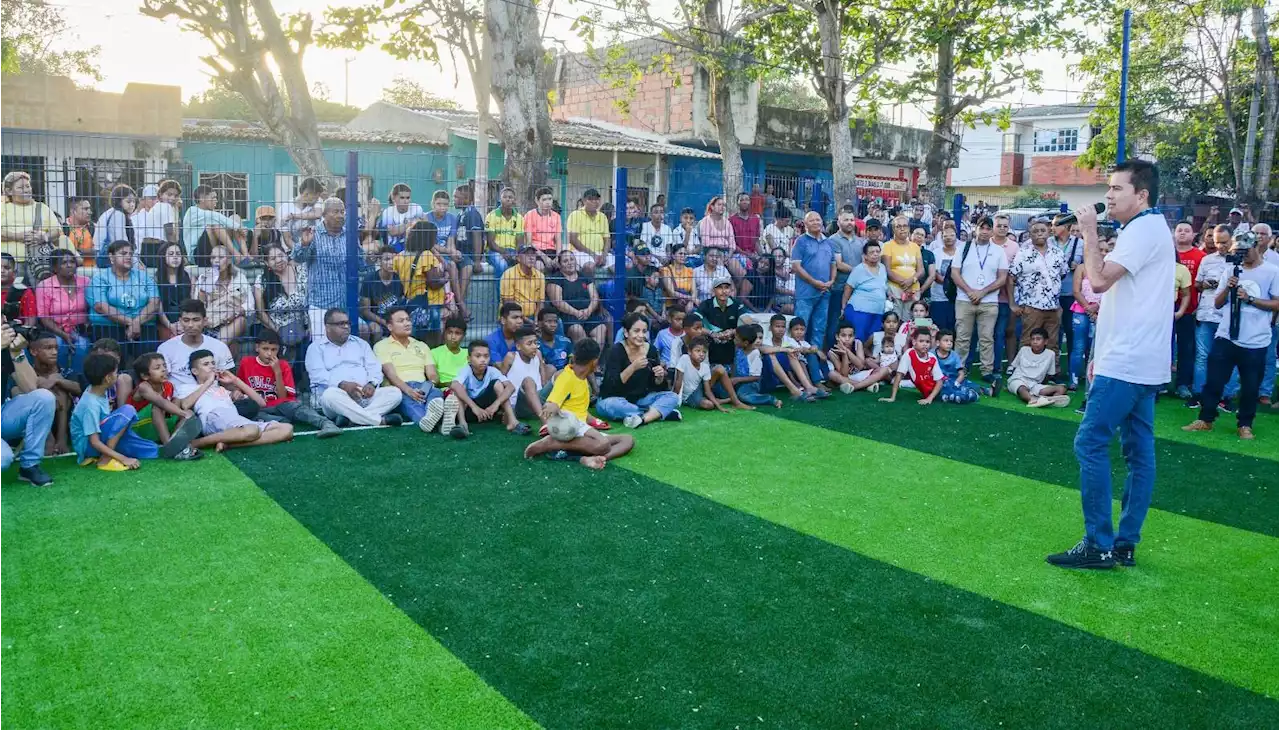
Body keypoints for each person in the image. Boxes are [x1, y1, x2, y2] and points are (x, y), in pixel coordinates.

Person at [1049, 160, 1174, 571]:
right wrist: (1098, 356)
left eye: (1117, 189)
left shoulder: (1142, 230)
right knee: (1139, 452)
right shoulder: (1148, 229)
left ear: (1141, 195)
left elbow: (1098, 281)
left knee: (1090, 442)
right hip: (1140, 359)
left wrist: (1087, 233)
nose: (1107, 197)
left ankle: (1100, 544)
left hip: (1128, 361)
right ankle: (1123, 543)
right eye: (1108, 188)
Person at [1183, 232, 1280, 439]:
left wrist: (1251, 299)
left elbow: (1277, 303)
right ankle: (1205, 419)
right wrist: (1228, 288)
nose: (1242, 256)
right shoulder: (1230, 271)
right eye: (1239, 252)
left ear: (1256, 247)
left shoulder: (1272, 271)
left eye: (1245, 251)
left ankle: (1245, 424)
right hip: (1226, 336)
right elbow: (1217, 303)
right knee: (1214, 381)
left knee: (1250, 386)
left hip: (1255, 340)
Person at [524, 339, 634, 470]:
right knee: (603, 445)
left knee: (628, 440)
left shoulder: (581, 378)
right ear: (594, 362)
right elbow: (551, 403)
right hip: (569, 428)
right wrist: (551, 406)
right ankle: (552, 443)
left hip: (581, 428)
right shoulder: (566, 378)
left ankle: (596, 458)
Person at [305, 308, 404, 427]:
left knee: (395, 393)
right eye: (341, 324)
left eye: (348, 323)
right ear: (327, 327)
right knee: (329, 395)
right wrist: (342, 385)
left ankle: (352, 419)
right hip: (337, 399)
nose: (346, 327)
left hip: (363, 396)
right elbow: (318, 375)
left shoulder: (361, 344)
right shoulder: (315, 348)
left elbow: (374, 368)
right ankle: (379, 421)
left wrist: (371, 384)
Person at [179, 349, 295, 451]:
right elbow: (185, 405)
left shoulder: (222, 389)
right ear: (195, 371)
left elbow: (261, 403)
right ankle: (198, 443)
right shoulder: (188, 388)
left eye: (213, 363)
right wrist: (209, 382)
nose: (212, 366)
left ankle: (229, 444)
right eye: (206, 364)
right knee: (252, 430)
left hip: (235, 419)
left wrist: (235, 380)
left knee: (286, 429)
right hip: (214, 417)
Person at [238, 329, 342, 438]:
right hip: (259, 408)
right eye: (265, 349)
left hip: (281, 405)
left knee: (298, 408)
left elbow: (283, 396)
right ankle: (283, 422)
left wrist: (277, 372)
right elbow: (240, 386)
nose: (269, 353)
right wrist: (237, 392)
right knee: (252, 415)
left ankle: (326, 423)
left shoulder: (283, 365)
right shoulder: (246, 362)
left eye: (274, 349)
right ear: (257, 348)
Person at [71, 352, 160, 471]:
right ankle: (105, 458)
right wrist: (123, 458)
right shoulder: (90, 405)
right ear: (108, 378)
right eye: (116, 373)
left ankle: (110, 451)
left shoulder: (98, 390)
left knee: (152, 450)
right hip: (89, 446)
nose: (118, 376)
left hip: (106, 437)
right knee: (127, 410)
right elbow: (94, 441)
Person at [950, 216, 1009, 383]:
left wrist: (982, 292)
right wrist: (970, 291)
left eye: (988, 228)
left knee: (987, 337)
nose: (984, 232)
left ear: (992, 231)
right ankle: (959, 368)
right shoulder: (964, 248)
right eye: (981, 228)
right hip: (964, 299)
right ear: (975, 229)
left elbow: (1002, 277)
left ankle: (986, 371)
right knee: (962, 337)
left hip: (989, 301)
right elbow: (955, 273)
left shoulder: (998, 251)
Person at [597, 312, 680, 428]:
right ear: (626, 332)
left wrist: (659, 377)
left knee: (672, 397)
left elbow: (655, 386)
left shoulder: (650, 349)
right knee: (609, 405)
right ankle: (657, 413)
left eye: (644, 331)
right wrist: (632, 367)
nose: (641, 335)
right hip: (616, 398)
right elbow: (610, 386)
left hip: (641, 399)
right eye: (636, 331)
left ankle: (643, 419)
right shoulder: (616, 351)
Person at [372, 306, 446, 433]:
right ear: (390, 327)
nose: (407, 323)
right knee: (409, 401)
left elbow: (432, 374)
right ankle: (433, 420)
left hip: (423, 386)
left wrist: (429, 385)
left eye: (408, 319)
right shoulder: (381, 346)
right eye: (401, 321)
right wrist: (409, 391)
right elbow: (391, 375)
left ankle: (430, 419)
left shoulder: (421, 345)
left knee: (436, 393)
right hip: (400, 388)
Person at [1189, 225, 1239, 409]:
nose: (1220, 246)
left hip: (1228, 316)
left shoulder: (1239, 262)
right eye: (1217, 242)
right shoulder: (1207, 260)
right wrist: (1206, 284)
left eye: (1224, 242)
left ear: (1232, 240)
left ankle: (1227, 397)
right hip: (1206, 313)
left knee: (1229, 357)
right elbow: (1197, 284)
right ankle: (1199, 394)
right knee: (1202, 356)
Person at [86, 240, 160, 359]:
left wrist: (137, 322)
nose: (128, 257)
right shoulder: (100, 277)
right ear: (111, 256)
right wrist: (131, 322)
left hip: (144, 325)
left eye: (131, 254)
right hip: (109, 327)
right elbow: (101, 306)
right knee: (111, 358)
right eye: (123, 253)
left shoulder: (143, 276)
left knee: (147, 359)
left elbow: (155, 303)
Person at [290, 198, 348, 343]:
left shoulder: (349, 235)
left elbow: (360, 263)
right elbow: (298, 258)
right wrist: (303, 244)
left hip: (343, 302)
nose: (340, 215)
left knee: (344, 344)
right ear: (325, 214)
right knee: (322, 345)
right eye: (336, 212)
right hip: (320, 303)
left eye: (342, 212)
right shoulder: (313, 234)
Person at [439, 340, 524, 438]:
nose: (483, 360)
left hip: (488, 410)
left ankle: (512, 422)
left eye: (486, 356)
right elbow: (454, 385)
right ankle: (462, 424)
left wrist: (495, 405)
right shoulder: (466, 370)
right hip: (469, 409)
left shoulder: (492, 371)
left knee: (498, 384)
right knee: (460, 387)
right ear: (469, 359)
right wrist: (474, 407)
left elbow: (511, 387)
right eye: (478, 356)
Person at [127, 351, 204, 458]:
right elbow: (161, 402)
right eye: (157, 368)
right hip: (137, 428)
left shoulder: (168, 385)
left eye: (164, 366)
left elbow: (172, 405)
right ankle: (169, 446)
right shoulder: (143, 387)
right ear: (145, 376)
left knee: (188, 411)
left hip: (155, 426)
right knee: (158, 407)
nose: (164, 369)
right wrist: (182, 414)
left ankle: (176, 444)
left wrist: (182, 412)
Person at [1009, 218, 1070, 352]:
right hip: (1031, 306)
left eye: (1043, 230)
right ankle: (1026, 371)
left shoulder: (1058, 253)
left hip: (1053, 306)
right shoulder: (1023, 253)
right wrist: (1013, 304)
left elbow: (1063, 273)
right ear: (1030, 235)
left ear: (1048, 232)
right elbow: (1011, 277)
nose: (1039, 234)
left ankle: (1052, 372)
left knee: (1052, 343)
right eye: (1035, 231)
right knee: (1028, 341)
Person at [1068, 234, 1112, 391]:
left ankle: (1091, 377)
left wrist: (1097, 307)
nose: (1103, 252)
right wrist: (1088, 308)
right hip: (1081, 311)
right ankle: (1073, 378)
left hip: (1102, 313)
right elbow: (1076, 290)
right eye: (1100, 249)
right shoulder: (1082, 267)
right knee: (1078, 346)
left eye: (1107, 250)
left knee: (1095, 349)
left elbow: (1110, 291)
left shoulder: (1110, 270)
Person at [36, 248, 91, 372]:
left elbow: (91, 307)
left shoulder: (85, 282)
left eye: (72, 262)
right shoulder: (44, 286)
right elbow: (43, 317)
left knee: (82, 345)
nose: (69, 265)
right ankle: (59, 377)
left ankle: (77, 379)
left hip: (80, 329)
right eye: (64, 263)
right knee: (58, 346)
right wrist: (64, 335)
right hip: (55, 329)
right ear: (55, 268)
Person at [27, 332, 80, 456]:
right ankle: (48, 439)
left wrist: (57, 380)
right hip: (37, 421)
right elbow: (15, 391)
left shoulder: (64, 370)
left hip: (64, 420)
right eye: (48, 348)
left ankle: (62, 439)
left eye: (56, 348)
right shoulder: (27, 373)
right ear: (34, 351)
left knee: (61, 390)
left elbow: (78, 388)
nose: (54, 352)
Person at [0, 171, 63, 271]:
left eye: (28, 186)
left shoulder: (42, 207)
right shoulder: (2, 207)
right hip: (7, 265)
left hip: (39, 262)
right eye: (21, 188)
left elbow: (57, 231)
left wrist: (44, 237)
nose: (26, 190)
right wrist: (17, 236)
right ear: (9, 191)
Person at [791, 211, 836, 349]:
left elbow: (833, 263)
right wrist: (814, 282)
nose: (816, 222)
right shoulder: (800, 242)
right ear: (805, 225)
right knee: (799, 327)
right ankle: (797, 355)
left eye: (818, 219)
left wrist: (832, 280)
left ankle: (815, 356)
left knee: (820, 327)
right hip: (805, 293)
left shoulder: (828, 242)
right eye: (812, 221)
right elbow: (796, 267)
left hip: (824, 292)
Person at [194, 243, 252, 346]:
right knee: (232, 346)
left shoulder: (239, 277)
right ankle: (217, 349)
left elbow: (250, 304)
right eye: (213, 258)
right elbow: (197, 304)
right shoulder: (204, 277)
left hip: (232, 321)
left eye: (221, 257)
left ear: (229, 260)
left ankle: (216, 348)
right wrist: (205, 288)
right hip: (210, 322)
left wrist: (236, 312)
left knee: (241, 321)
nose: (216, 260)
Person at [673, 334, 751, 411]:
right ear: (689, 352)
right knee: (708, 405)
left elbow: (707, 391)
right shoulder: (684, 359)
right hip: (689, 395)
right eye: (697, 351)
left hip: (700, 389)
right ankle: (725, 400)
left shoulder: (705, 367)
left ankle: (735, 401)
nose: (701, 354)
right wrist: (674, 399)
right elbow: (678, 381)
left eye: (704, 352)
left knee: (720, 368)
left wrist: (720, 408)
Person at [548, 249, 607, 347]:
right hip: (568, 316)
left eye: (572, 259)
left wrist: (589, 310)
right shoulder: (556, 279)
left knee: (601, 329)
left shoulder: (584, 277)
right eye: (565, 261)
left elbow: (594, 297)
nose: (570, 263)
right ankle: (585, 360)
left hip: (588, 314)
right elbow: (558, 302)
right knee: (577, 330)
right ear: (559, 265)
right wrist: (576, 312)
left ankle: (593, 361)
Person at [255, 243, 308, 351]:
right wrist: (277, 330)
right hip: (276, 330)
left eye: (281, 256)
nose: (279, 260)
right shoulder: (262, 281)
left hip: (303, 328)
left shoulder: (301, 271)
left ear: (286, 255)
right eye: (273, 259)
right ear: (267, 263)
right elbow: (260, 312)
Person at [1004, 327, 1070, 407]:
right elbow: (1014, 366)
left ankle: (1046, 399)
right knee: (1021, 388)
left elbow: (1049, 375)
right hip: (1019, 380)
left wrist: (1043, 388)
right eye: (1033, 339)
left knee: (1061, 389)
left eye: (1038, 339)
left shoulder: (1050, 354)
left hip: (1035, 385)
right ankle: (1032, 400)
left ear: (1045, 341)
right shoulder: (1024, 350)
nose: (1035, 342)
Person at [182, 185, 246, 265]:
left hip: (213, 249)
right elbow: (215, 216)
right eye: (213, 198)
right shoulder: (192, 211)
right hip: (198, 255)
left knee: (235, 218)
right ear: (202, 199)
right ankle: (237, 256)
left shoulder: (209, 214)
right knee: (215, 227)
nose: (216, 200)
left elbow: (224, 220)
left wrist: (238, 227)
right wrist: (238, 227)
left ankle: (246, 256)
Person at [827, 209, 864, 345]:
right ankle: (832, 353)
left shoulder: (860, 241)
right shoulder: (833, 240)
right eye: (846, 220)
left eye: (851, 220)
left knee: (854, 323)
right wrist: (860, 272)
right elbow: (839, 264)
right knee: (835, 322)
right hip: (839, 287)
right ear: (839, 222)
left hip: (858, 290)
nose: (849, 223)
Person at [878, 329, 944, 406]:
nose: (925, 344)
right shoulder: (909, 354)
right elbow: (899, 375)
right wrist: (892, 397)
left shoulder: (932, 358)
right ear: (914, 342)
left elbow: (940, 381)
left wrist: (930, 398)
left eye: (927, 342)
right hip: (930, 394)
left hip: (943, 389)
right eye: (921, 341)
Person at [840, 239, 888, 342]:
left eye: (877, 252)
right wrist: (844, 307)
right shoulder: (859, 269)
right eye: (871, 252)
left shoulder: (883, 268)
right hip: (859, 311)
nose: (875, 254)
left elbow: (883, 286)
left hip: (878, 311)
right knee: (858, 340)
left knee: (872, 341)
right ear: (865, 256)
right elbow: (848, 287)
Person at [359, 245, 405, 342]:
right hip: (375, 319)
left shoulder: (399, 279)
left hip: (393, 319)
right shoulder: (369, 280)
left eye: (394, 259)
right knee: (377, 330)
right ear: (379, 261)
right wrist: (384, 322)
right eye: (387, 259)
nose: (391, 263)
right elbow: (365, 312)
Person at [882, 215, 924, 320]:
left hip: (913, 290)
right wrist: (906, 283)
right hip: (895, 290)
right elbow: (887, 270)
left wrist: (912, 280)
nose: (902, 228)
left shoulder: (915, 247)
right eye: (898, 226)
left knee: (912, 322)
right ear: (893, 229)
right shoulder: (887, 246)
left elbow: (921, 270)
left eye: (905, 226)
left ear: (909, 228)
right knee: (894, 321)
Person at [132, 184, 180, 266]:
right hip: (155, 249)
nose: (172, 198)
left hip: (149, 250)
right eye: (151, 198)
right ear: (143, 200)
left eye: (175, 195)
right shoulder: (165, 207)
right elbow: (170, 233)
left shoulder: (157, 209)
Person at [567, 188, 610, 277]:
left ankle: (617, 290)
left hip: (600, 252)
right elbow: (573, 239)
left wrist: (604, 256)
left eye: (597, 199)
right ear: (584, 201)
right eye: (590, 199)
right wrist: (593, 254)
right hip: (580, 252)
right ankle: (590, 289)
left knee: (621, 266)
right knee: (589, 266)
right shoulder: (575, 215)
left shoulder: (603, 217)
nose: (594, 202)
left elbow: (607, 239)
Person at [154, 242, 192, 340]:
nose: (175, 257)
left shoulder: (188, 277)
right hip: (164, 322)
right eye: (171, 254)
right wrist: (169, 325)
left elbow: (191, 302)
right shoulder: (156, 278)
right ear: (163, 257)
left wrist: (184, 323)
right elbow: (158, 307)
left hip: (185, 322)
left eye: (178, 254)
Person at [485, 187, 525, 276]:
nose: (508, 199)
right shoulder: (491, 216)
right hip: (495, 251)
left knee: (524, 265)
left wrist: (515, 254)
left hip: (513, 251)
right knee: (502, 265)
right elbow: (491, 243)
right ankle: (502, 290)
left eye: (510, 197)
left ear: (514, 200)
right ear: (500, 199)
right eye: (505, 197)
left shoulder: (519, 218)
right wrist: (503, 252)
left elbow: (520, 242)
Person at [277, 177, 325, 250]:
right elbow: (287, 239)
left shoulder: (317, 202)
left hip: (315, 249)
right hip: (293, 251)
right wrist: (300, 253)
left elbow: (318, 214)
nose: (318, 199)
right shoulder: (285, 208)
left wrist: (294, 216)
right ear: (306, 194)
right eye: (316, 197)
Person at [928, 222, 960, 332]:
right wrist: (948, 282)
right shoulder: (936, 253)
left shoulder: (961, 253)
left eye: (951, 235)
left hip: (957, 297)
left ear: (956, 237)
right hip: (938, 297)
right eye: (945, 236)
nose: (948, 238)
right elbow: (935, 273)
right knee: (939, 327)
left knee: (953, 328)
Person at [500, 244, 546, 319]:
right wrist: (530, 322)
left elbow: (540, 303)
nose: (531, 258)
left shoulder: (540, 276)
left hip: (533, 316)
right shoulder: (508, 275)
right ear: (518, 258)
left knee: (557, 322)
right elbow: (509, 306)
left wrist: (537, 320)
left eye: (533, 254)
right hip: (513, 316)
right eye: (526, 254)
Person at [934, 329, 979, 404]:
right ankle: (956, 395)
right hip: (939, 382)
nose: (949, 343)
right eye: (946, 341)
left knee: (973, 386)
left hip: (954, 380)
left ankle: (987, 391)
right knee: (943, 387)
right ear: (938, 343)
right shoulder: (932, 354)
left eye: (951, 341)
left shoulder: (954, 355)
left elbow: (961, 374)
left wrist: (956, 383)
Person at [523, 186, 562, 271]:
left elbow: (558, 240)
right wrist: (544, 257)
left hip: (551, 250)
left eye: (550, 199)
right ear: (537, 201)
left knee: (563, 265)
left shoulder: (557, 216)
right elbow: (529, 242)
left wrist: (558, 257)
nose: (548, 202)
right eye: (544, 200)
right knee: (539, 266)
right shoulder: (529, 215)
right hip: (535, 251)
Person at [661, 243, 696, 313]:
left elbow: (694, 291)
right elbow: (672, 293)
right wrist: (691, 298)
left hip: (687, 304)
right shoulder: (665, 270)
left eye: (684, 254)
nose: (683, 256)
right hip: (672, 306)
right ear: (673, 256)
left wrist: (691, 302)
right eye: (680, 253)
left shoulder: (689, 270)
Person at [65, 197, 95, 265]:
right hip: (70, 272)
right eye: (85, 209)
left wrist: (76, 252)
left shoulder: (93, 227)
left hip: (92, 271)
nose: (90, 212)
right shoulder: (63, 228)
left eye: (89, 209)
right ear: (73, 211)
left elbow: (99, 251)